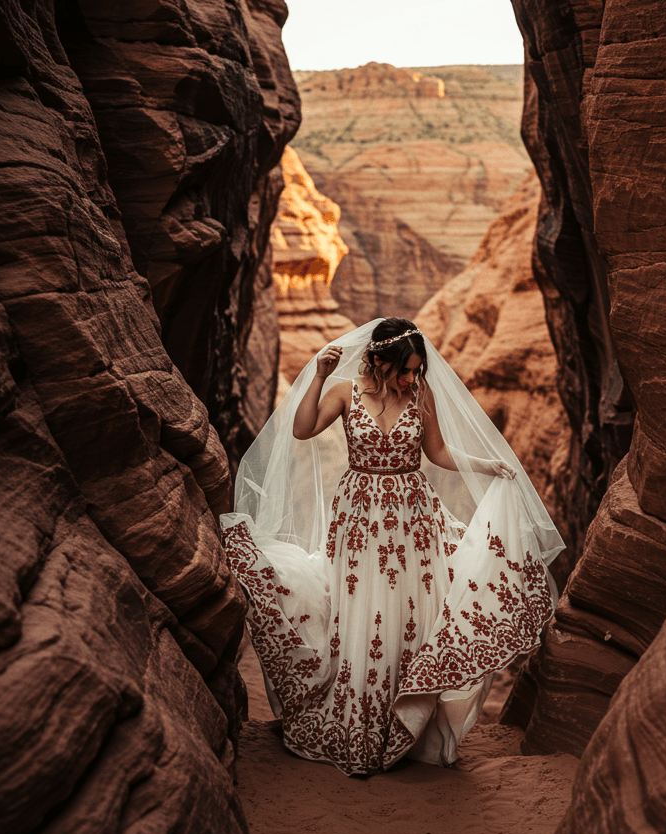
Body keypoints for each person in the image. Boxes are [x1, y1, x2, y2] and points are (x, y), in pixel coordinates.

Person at [220, 317, 564, 776]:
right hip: (358, 519)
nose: (412, 378)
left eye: (417, 370)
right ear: (378, 360)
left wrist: (487, 465)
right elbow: (303, 430)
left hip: (412, 520)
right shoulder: (344, 391)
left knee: (408, 613)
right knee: (358, 611)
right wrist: (319, 375)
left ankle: (405, 724)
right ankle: (358, 724)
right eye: (405, 370)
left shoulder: (421, 396)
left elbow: (438, 452)